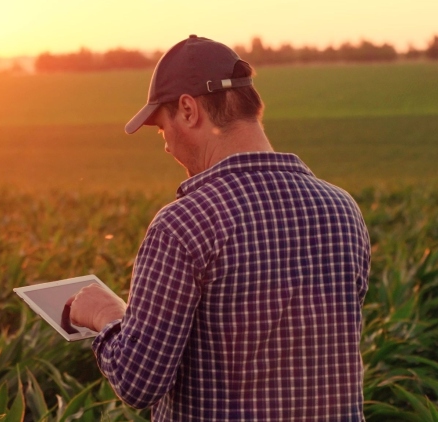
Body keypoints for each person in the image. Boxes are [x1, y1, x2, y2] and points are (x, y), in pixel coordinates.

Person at [66, 35, 370, 421]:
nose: (166, 147)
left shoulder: (184, 224)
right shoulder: (342, 210)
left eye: (162, 129)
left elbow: (137, 382)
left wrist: (106, 316)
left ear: (189, 111)